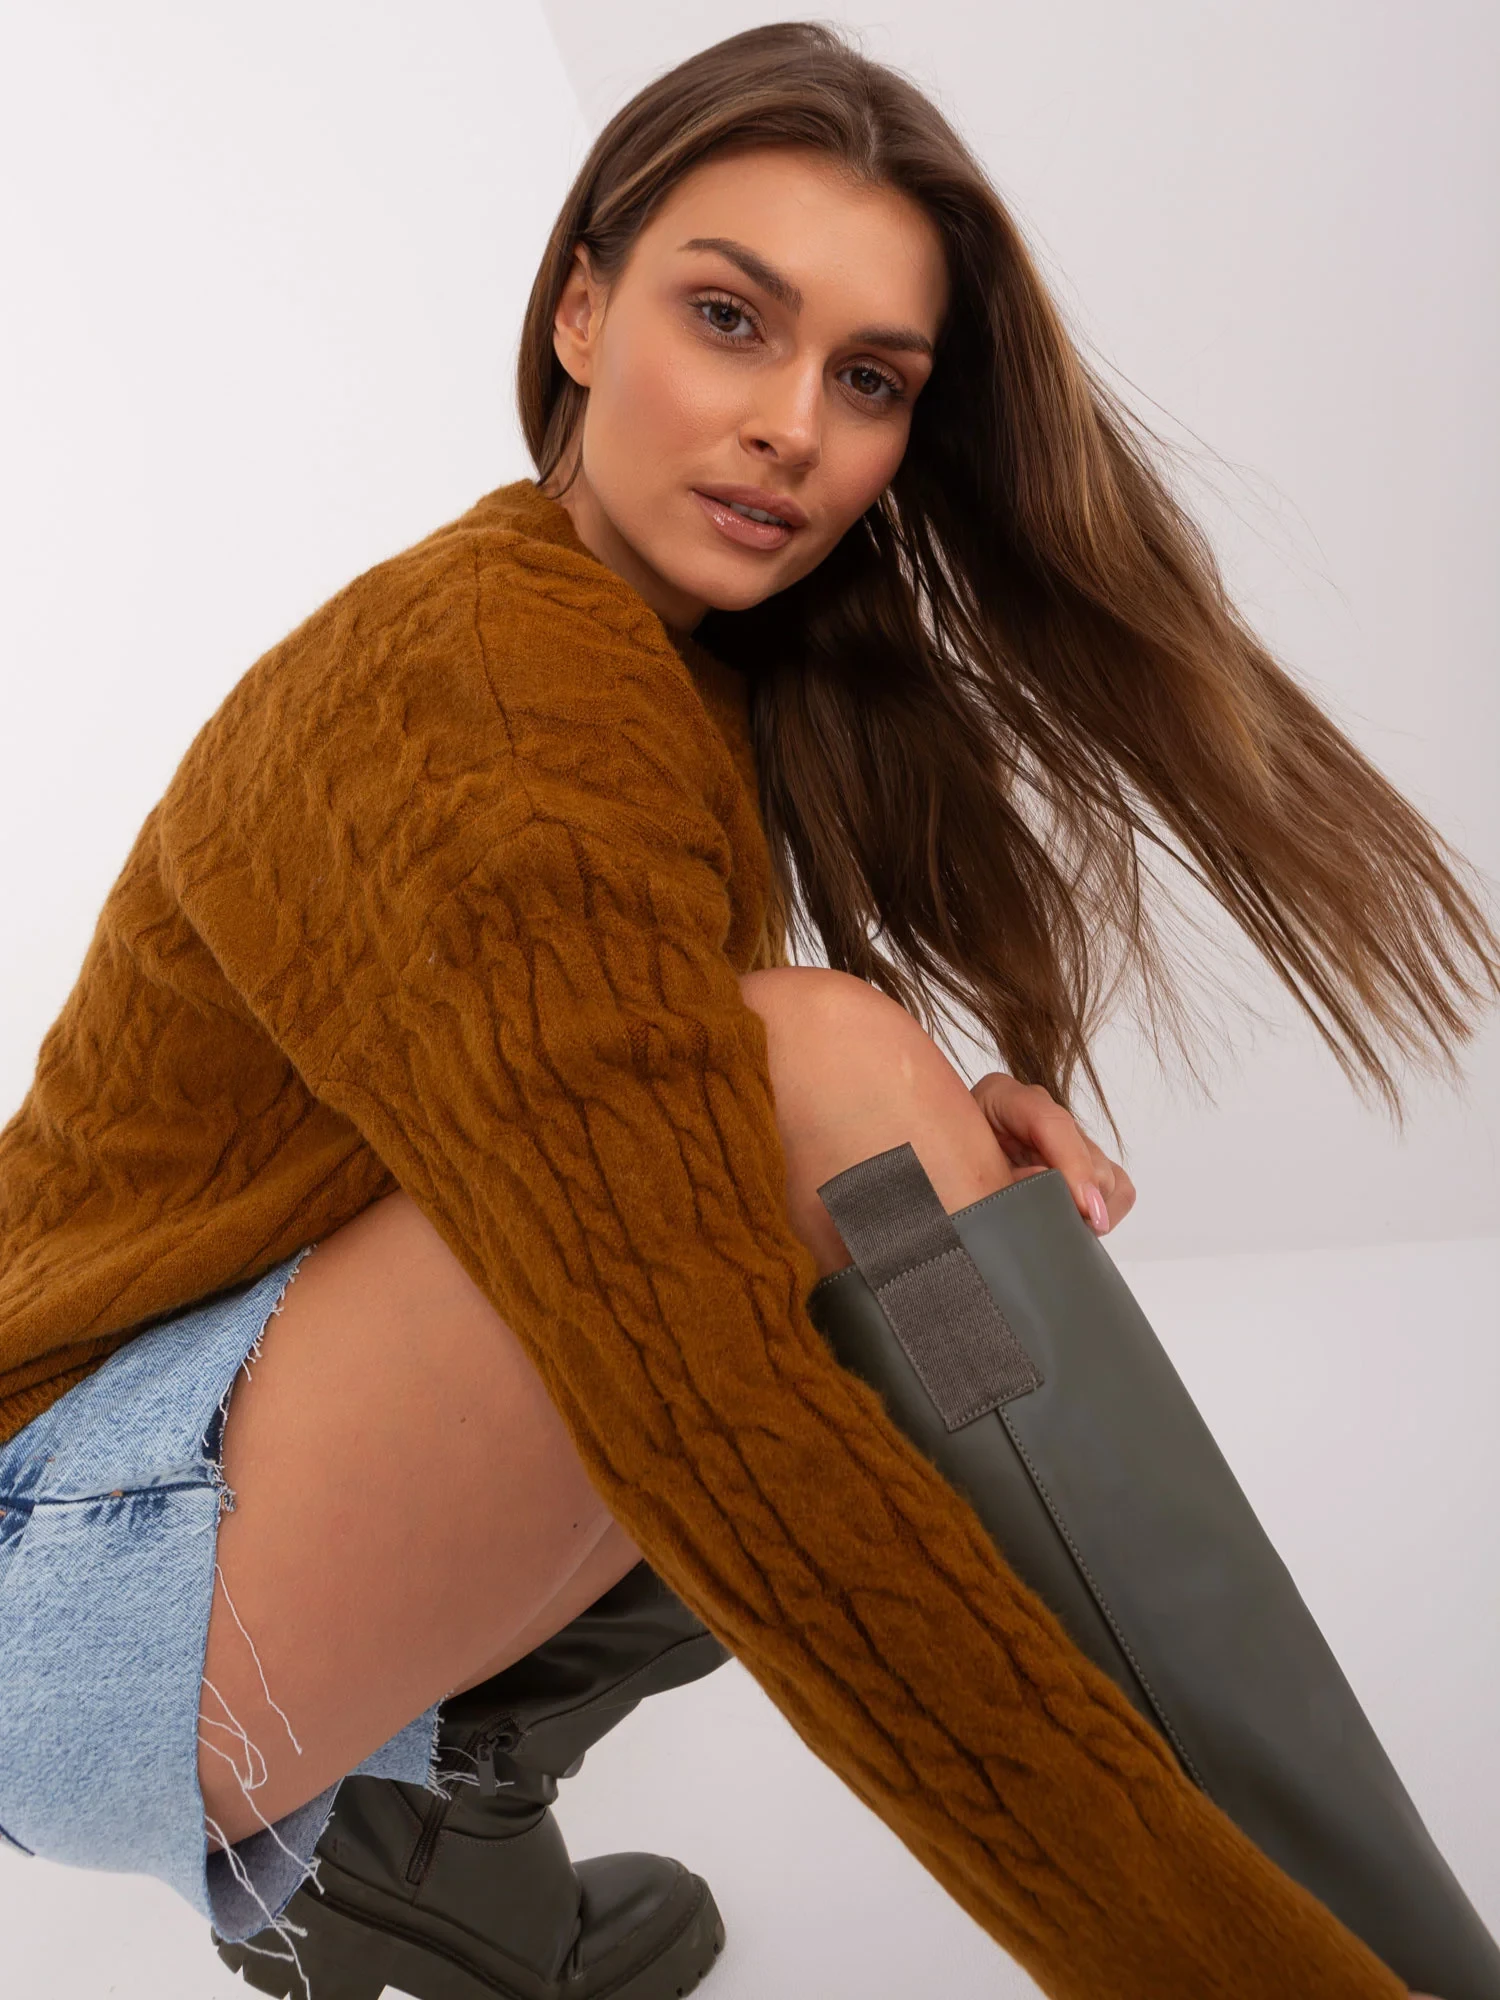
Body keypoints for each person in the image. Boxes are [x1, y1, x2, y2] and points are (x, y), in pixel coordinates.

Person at [0, 21, 1486, 2000]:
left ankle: (427, 1843)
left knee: (855, 1144)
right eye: (730, 318)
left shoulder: (655, 668)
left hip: (150, 1531)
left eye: (868, 380)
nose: (794, 426)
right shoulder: (489, 687)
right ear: (582, 312)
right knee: (814, 1111)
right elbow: (717, 1435)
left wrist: (887, 1179)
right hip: (55, 1602)